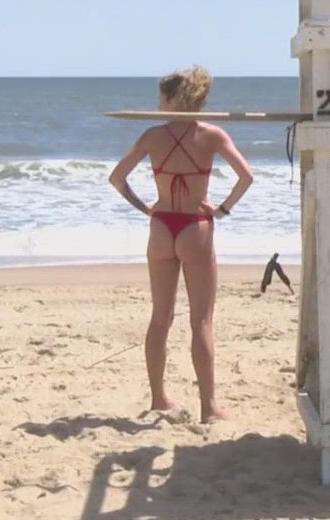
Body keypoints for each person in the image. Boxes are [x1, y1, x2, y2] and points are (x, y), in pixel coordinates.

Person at [107, 67, 253, 422]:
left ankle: (159, 398)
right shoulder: (212, 135)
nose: (157, 103)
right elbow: (246, 177)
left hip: (161, 227)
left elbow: (117, 178)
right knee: (201, 320)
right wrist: (222, 210)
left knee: (160, 317)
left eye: (161, 97)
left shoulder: (152, 136)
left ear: (173, 99)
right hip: (194, 227)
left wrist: (147, 209)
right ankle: (209, 407)